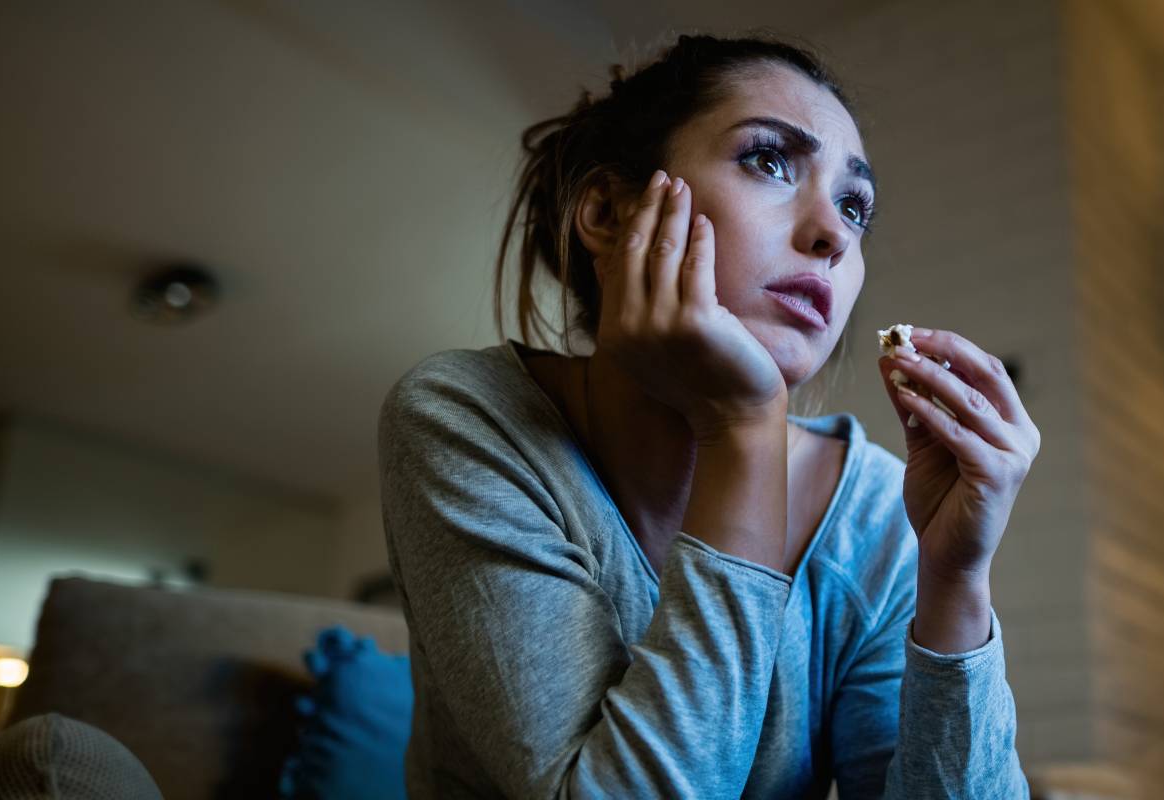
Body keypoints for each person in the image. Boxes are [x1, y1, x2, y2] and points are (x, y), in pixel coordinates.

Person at [377, 33, 1043, 799]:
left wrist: (955, 579)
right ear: (607, 212)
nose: (833, 233)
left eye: (855, 206)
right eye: (768, 160)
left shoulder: (877, 509)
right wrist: (744, 426)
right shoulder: (465, 419)